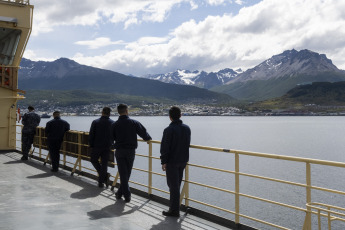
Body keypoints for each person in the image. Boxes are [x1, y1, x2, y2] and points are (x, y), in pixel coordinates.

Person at [112, 103, 152, 202]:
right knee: (127, 173)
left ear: (118, 112)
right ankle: (127, 195)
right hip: (130, 151)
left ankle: (120, 193)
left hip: (119, 151)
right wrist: (148, 139)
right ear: (126, 111)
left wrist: (114, 146)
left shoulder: (114, 125)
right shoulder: (134, 122)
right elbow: (143, 132)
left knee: (123, 173)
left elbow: (110, 139)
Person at [160, 106, 191, 217]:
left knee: (173, 186)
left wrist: (164, 161)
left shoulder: (168, 130)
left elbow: (165, 147)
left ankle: (174, 211)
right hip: (183, 160)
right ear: (180, 115)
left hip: (172, 161)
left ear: (170, 117)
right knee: (177, 184)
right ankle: (174, 208)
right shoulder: (187, 128)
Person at [89, 107, 114, 188]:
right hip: (108, 146)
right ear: (109, 113)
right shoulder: (113, 123)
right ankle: (101, 181)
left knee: (93, 160)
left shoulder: (95, 122)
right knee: (104, 164)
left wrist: (91, 145)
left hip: (97, 146)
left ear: (102, 112)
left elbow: (91, 134)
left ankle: (104, 177)